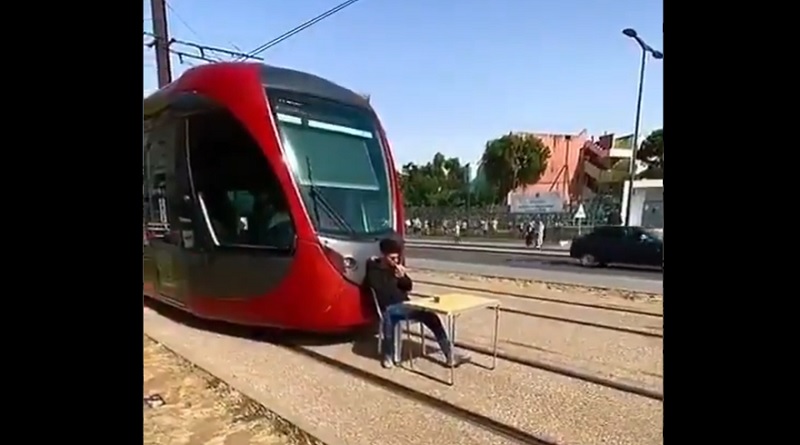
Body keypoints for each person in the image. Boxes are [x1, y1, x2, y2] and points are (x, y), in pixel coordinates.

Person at [365, 238, 469, 369]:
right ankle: (388, 355)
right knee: (389, 317)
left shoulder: (395, 269)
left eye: (397, 258)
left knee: (432, 316)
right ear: (384, 256)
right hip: (389, 307)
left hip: (406, 306)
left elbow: (408, 287)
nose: (396, 261)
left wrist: (402, 277)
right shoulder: (374, 270)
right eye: (392, 258)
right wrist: (393, 279)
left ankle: (449, 354)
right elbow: (381, 291)